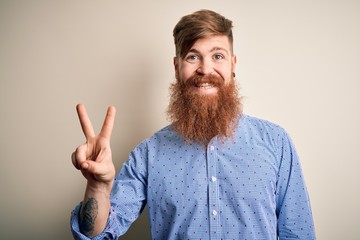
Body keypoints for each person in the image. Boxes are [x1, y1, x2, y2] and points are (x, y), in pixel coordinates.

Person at [70, 9, 316, 240]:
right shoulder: (149, 154)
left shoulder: (276, 142)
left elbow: (298, 234)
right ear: (177, 67)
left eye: (218, 56)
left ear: (233, 65)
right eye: (192, 57)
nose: (205, 68)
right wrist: (98, 187)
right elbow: (96, 235)